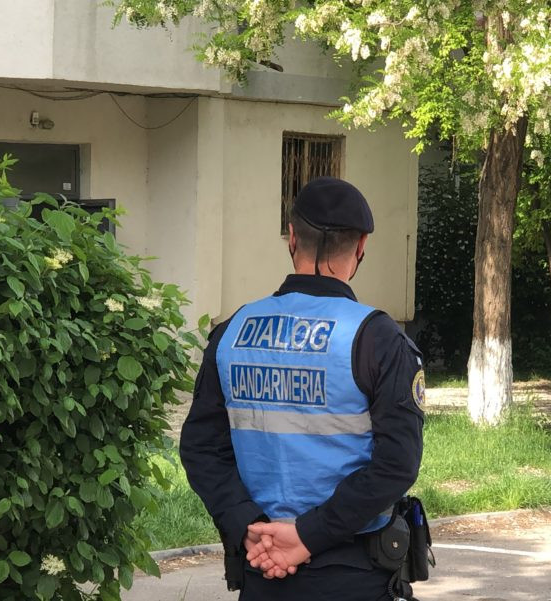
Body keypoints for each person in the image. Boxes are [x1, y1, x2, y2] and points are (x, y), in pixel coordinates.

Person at [179, 177, 425, 600]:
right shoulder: (377, 338)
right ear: (361, 245)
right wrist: (308, 536)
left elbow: (201, 448)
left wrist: (248, 526)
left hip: (261, 567)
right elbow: (396, 464)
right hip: (353, 574)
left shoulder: (232, 332)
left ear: (292, 237)